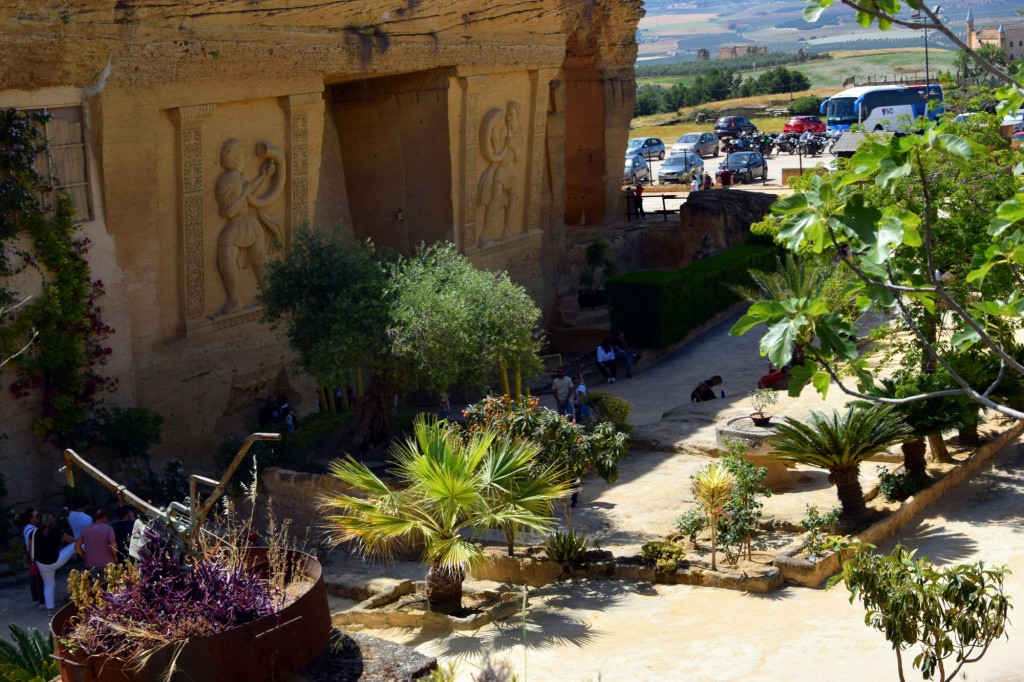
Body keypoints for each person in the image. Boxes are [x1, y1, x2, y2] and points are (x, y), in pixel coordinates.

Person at [216, 138, 285, 314]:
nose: (241, 158)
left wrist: (264, 175)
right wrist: (244, 194)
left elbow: (249, 192)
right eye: (237, 154)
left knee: (260, 261)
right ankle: (234, 299)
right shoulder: (226, 179)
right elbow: (229, 212)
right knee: (226, 258)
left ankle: (271, 295)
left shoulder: (240, 176)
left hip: (250, 225)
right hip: (234, 225)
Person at [32, 513, 75, 614]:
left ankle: (50, 609)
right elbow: (72, 540)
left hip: (41, 563)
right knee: (75, 545)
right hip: (55, 561)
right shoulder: (57, 531)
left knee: (48, 584)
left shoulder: (35, 532)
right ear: (52, 522)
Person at [75, 508, 118, 573]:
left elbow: (76, 547)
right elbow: (114, 545)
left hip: (91, 565)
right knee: (110, 582)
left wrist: (85, 558)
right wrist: (115, 556)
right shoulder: (108, 528)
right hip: (107, 563)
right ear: (104, 517)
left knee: (96, 583)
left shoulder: (85, 529)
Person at [18, 508, 44, 607]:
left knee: (33, 578)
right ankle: (41, 602)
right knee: (38, 579)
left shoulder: (27, 528)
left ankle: (35, 599)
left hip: (30, 555)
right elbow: (31, 545)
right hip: (35, 556)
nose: (39, 517)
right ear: (31, 519)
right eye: (37, 516)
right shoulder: (33, 530)